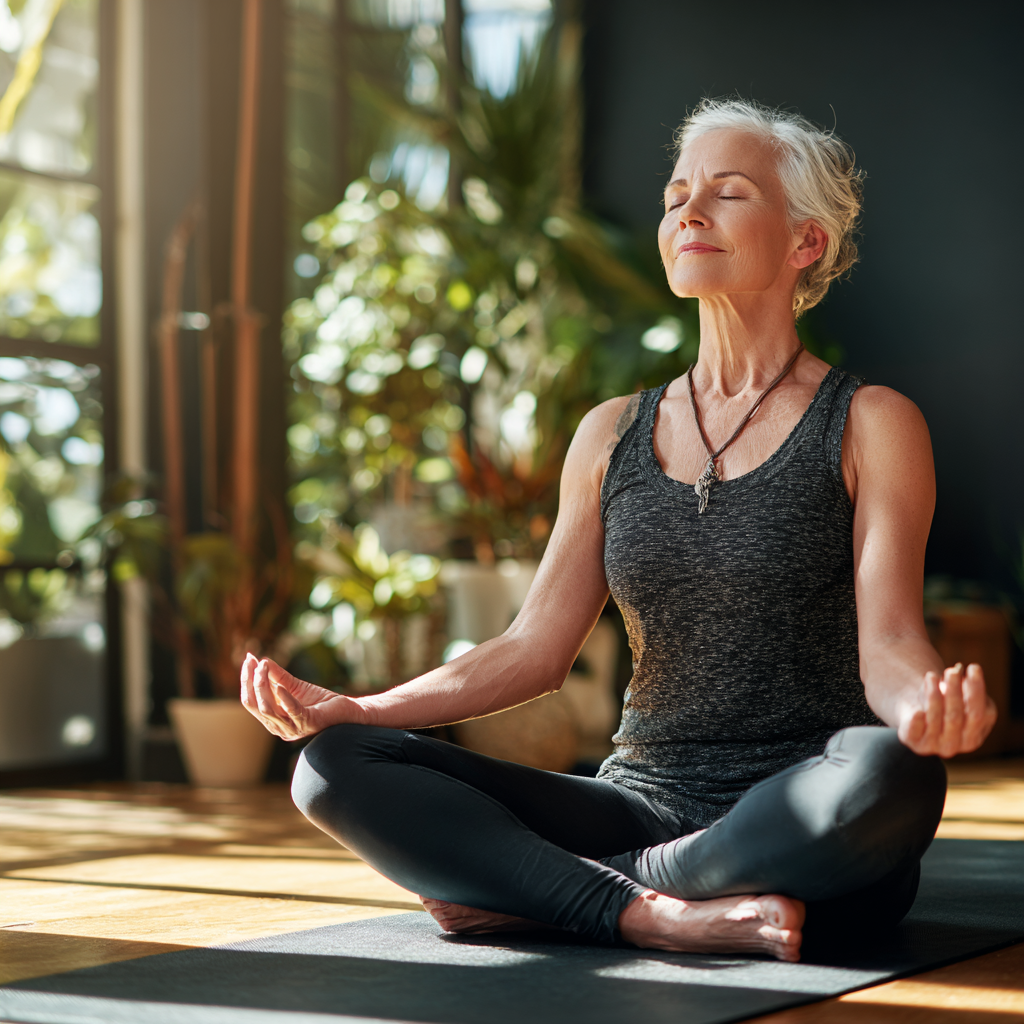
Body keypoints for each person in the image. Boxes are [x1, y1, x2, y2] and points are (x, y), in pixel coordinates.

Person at [241, 98, 996, 962]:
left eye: (729, 192)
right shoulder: (611, 433)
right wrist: (359, 708)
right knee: (334, 765)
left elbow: (892, 643)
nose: (688, 212)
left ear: (805, 241)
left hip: (800, 806)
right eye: (678, 195)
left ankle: (564, 890)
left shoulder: (868, 422)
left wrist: (929, 711)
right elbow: (533, 649)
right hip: (639, 794)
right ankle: (652, 912)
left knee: (891, 778)